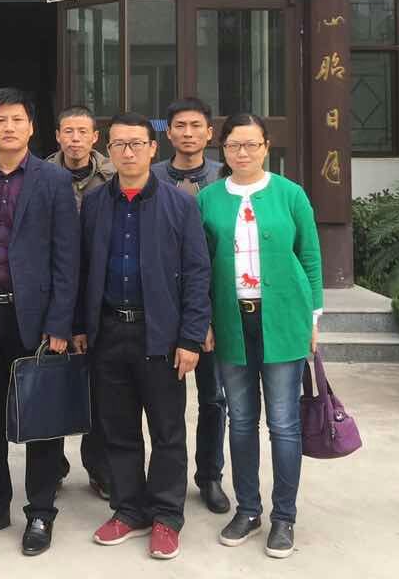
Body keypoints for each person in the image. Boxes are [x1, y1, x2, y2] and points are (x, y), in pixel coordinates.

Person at [75, 112, 211, 562]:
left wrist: (190, 338)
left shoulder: (180, 205)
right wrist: (80, 327)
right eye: (119, 144)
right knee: (118, 429)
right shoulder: (96, 202)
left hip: (162, 335)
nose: (128, 152)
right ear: (108, 151)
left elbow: (197, 274)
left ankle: (167, 515)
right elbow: (83, 269)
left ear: (154, 149)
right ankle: (129, 509)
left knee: (167, 430)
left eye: (136, 144)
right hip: (109, 330)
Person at [0, 88, 80, 556]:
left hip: (36, 318)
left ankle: (41, 511)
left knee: (41, 418)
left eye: (17, 120)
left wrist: (60, 324)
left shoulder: (53, 180)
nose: (8, 127)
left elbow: (67, 257)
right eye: (0, 121)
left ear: (31, 128)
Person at [197, 113, 323, 560]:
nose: (243, 153)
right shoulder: (208, 199)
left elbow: (310, 256)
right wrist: (203, 321)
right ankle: (248, 510)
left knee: (284, 423)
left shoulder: (291, 194)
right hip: (232, 320)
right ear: (223, 149)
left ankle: (284, 516)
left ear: (267, 147)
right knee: (241, 419)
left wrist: (314, 317)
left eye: (251, 144)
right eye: (234, 145)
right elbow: (198, 266)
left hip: (284, 318)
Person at [150, 97, 231, 516]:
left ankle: (209, 475)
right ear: (168, 133)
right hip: (162, 306)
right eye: (179, 125)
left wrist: (208, 319)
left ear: (209, 133)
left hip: (214, 306)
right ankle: (164, 480)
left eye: (196, 125)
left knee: (213, 398)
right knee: (163, 403)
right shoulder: (151, 177)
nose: (187, 133)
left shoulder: (224, 178)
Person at [46, 104, 115, 501]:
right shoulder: (40, 174)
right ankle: (52, 468)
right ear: (57, 136)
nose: (75, 139)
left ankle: (99, 469)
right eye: (67, 132)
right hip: (53, 293)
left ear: (95, 138)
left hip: (99, 292)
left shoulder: (113, 175)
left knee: (101, 390)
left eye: (82, 132)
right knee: (53, 386)